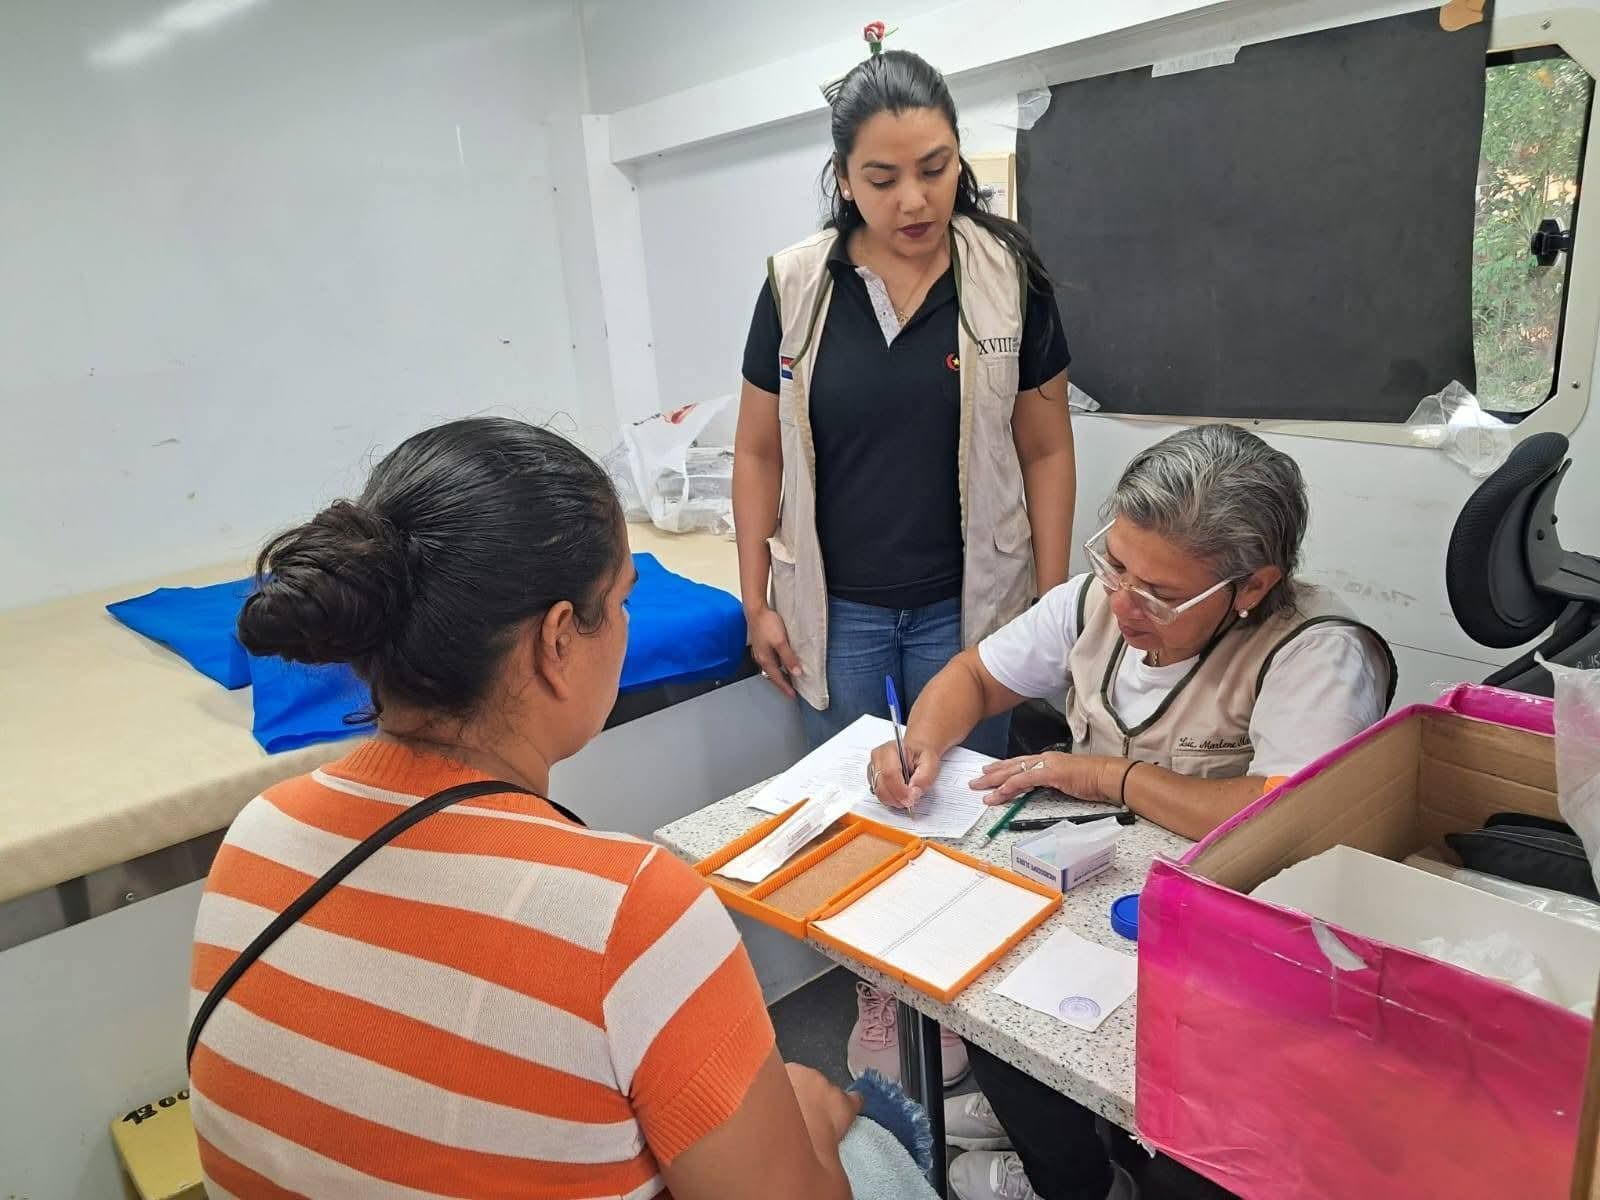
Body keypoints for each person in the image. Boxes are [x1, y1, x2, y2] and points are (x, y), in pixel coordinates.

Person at [187, 418, 862, 1200]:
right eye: (622, 601)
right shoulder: (629, 913)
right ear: (557, 641)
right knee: (869, 1146)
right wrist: (812, 1121)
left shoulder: (259, 832)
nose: (630, 625)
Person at [868, 424, 1397, 1200]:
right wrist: (921, 743)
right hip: (1096, 898)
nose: (1124, 602)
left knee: (1191, 1154)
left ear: (1250, 586)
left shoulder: (1315, 653)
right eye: (1115, 564)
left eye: (1160, 594)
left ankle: (1114, 1148)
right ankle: (1071, 1171)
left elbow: (1285, 815)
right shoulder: (1094, 601)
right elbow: (975, 678)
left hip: (1232, 940)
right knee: (989, 1002)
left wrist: (1107, 777)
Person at [733, 39, 1076, 1088]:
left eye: (933, 166)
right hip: (835, 608)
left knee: (961, 816)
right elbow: (753, 452)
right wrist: (756, 599)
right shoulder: (795, 285)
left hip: (964, 610)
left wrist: (1052, 610)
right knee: (855, 819)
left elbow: (1047, 446)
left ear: (957, 158)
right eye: (882, 178)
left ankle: (955, 1004)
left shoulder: (1003, 275)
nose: (913, 197)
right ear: (843, 177)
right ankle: (881, 998)